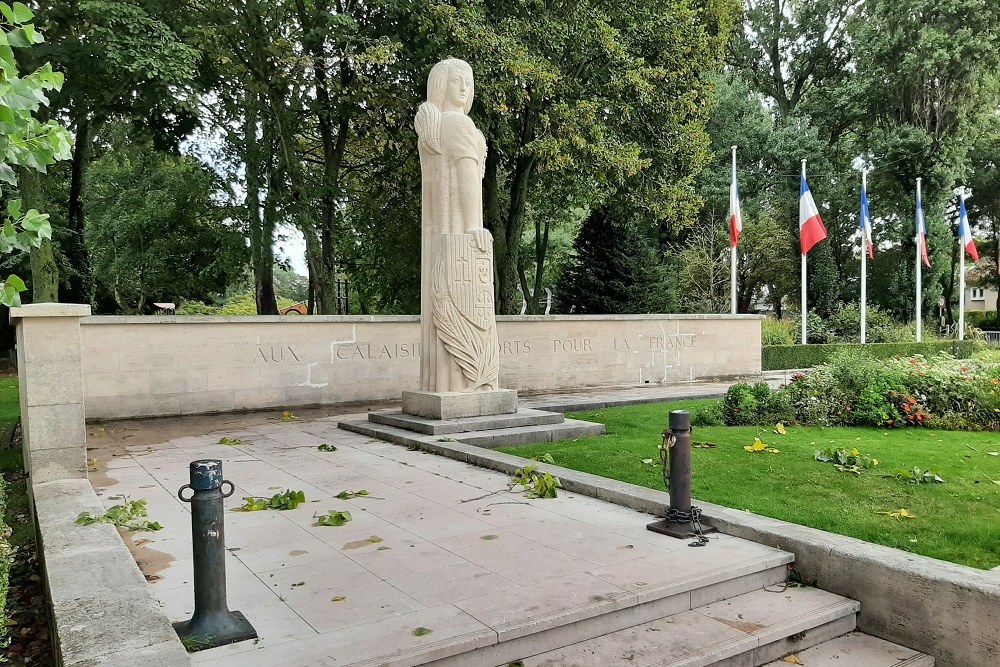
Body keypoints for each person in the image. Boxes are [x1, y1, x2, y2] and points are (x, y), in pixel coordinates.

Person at [415, 59, 499, 392]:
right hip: (462, 234)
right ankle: (472, 385)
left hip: (438, 233)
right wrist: (475, 225)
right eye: (456, 81)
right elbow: (466, 175)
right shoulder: (459, 125)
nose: (464, 87)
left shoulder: (432, 129)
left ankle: (446, 387)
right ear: (441, 86)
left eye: (468, 81)